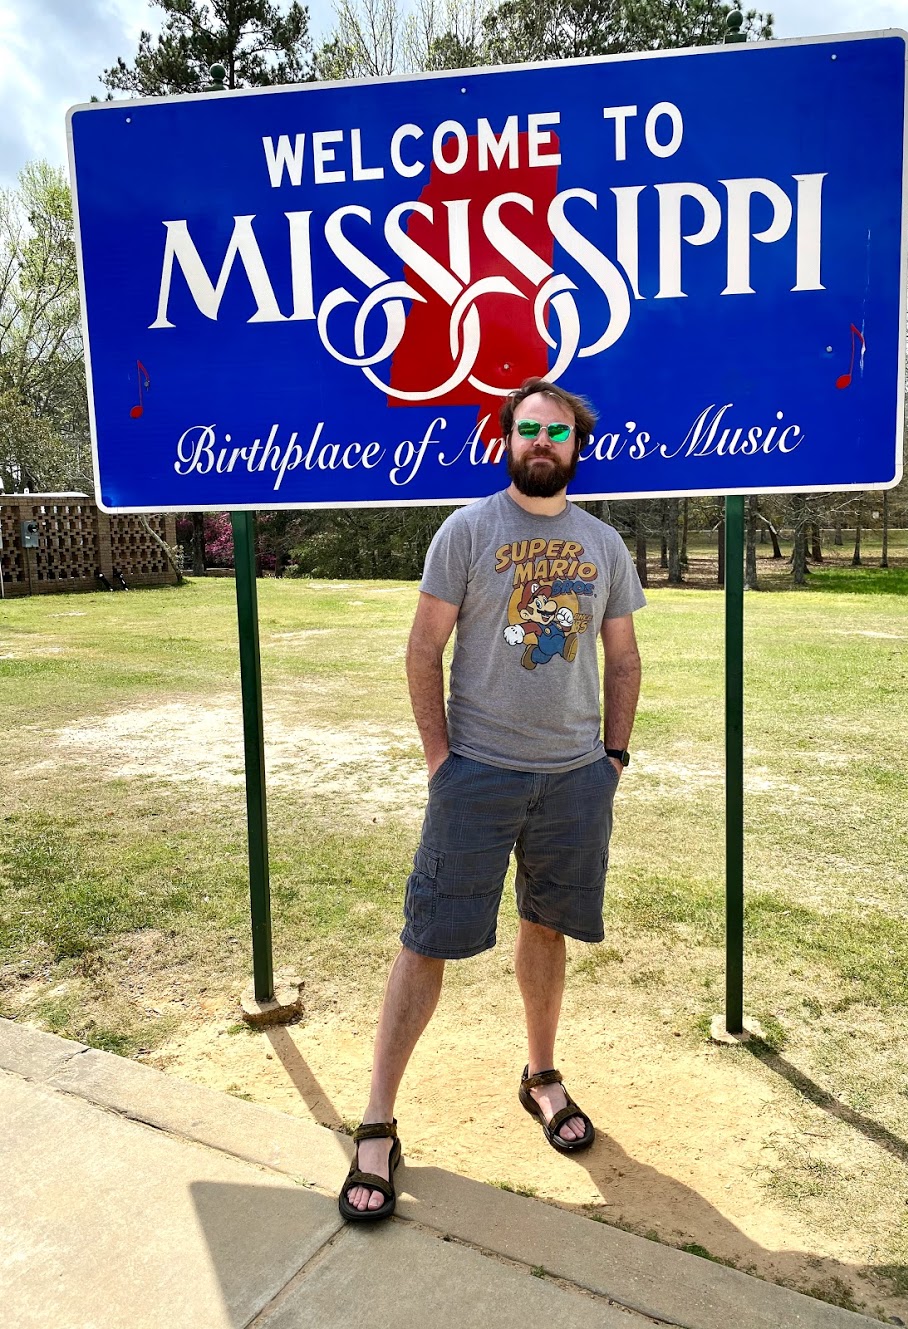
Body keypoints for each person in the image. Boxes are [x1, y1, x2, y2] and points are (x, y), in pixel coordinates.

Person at [338, 377, 645, 1222]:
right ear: (505, 439)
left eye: (557, 431)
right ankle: (376, 1121)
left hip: (575, 779)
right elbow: (422, 648)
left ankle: (541, 1075)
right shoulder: (467, 530)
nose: (542, 441)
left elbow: (623, 657)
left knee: (546, 926)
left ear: (576, 447)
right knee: (426, 939)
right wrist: (441, 759)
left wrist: (612, 758)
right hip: (475, 774)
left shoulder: (603, 544)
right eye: (528, 429)